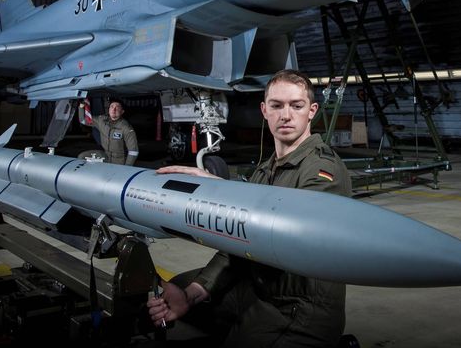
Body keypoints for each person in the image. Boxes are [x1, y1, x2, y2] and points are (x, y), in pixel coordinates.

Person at [148, 69, 351, 347]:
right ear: (264, 110)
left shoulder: (323, 169)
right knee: (184, 285)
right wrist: (191, 296)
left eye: (296, 106)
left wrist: (222, 190)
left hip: (300, 306)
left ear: (311, 111)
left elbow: (290, 234)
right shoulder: (266, 170)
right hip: (258, 288)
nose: (286, 115)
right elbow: (236, 245)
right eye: (277, 106)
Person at [86, 99, 139, 166]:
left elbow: (133, 151)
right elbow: (84, 120)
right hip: (105, 156)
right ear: (109, 110)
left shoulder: (126, 128)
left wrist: (127, 167)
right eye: (112, 106)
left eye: (117, 107)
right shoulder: (101, 121)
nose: (114, 109)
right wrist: (82, 106)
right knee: (82, 157)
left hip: (119, 160)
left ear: (122, 111)